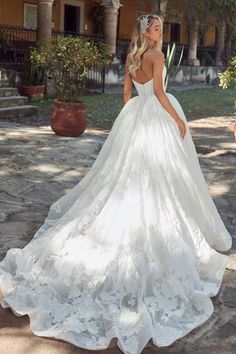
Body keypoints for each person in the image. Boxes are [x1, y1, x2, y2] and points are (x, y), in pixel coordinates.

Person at [0, 14, 232, 354]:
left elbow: (128, 96)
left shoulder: (131, 57)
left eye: (160, 28)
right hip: (155, 115)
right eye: (156, 28)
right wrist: (177, 121)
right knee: (162, 175)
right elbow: (161, 94)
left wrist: (133, 121)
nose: (160, 32)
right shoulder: (154, 56)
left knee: (128, 174)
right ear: (146, 32)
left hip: (135, 117)